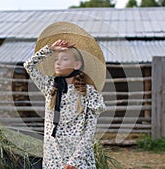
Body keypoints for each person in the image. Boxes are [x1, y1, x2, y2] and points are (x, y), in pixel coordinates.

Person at [24, 22, 106, 169]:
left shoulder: (89, 94)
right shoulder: (50, 87)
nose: (58, 62)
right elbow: (29, 65)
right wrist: (50, 49)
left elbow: (89, 134)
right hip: (52, 158)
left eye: (64, 59)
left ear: (77, 65)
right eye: (56, 59)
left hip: (78, 161)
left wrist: (74, 162)